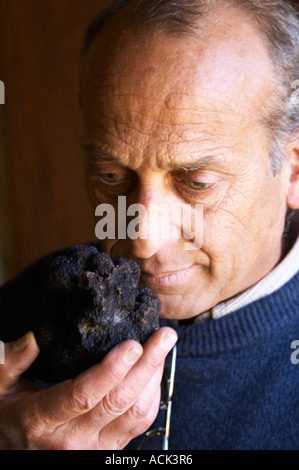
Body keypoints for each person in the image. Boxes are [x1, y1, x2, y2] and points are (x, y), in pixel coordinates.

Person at [1, 0, 299, 450]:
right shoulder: (38, 300)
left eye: (197, 183)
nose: (141, 239)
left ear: (294, 170)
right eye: (110, 177)